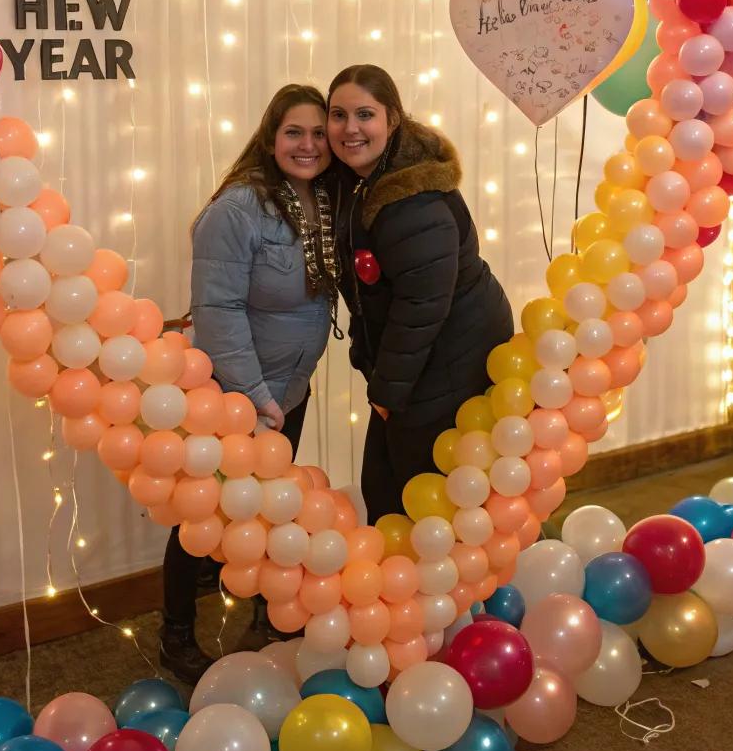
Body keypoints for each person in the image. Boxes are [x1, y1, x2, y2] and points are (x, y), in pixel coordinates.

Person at [158, 84, 340, 682]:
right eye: (295, 132)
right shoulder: (238, 210)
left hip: (290, 388)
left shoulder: (325, 200)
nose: (308, 145)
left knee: (272, 509)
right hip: (237, 394)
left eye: (319, 133)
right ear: (270, 137)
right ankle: (175, 635)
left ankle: (268, 614)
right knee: (202, 513)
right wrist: (254, 396)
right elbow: (218, 311)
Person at [327, 64, 514, 525]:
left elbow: (421, 307)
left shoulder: (412, 202)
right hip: (423, 358)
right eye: (338, 115)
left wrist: (387, 391)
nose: (350, 128)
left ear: (392, 119)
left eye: (364, 114)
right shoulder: (366, 178)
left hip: (451, 356)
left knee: (424, 499)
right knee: (389, 487)